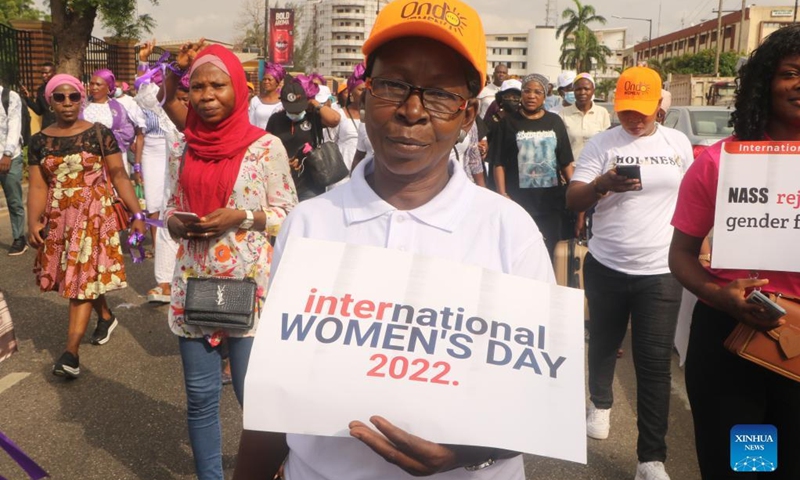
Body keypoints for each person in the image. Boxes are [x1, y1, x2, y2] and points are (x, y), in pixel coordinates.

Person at [234, 1, 555, 478]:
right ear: (363, 97)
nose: (411, 111)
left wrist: (464, 453)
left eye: (440, 95)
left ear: (468, 116)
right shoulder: (310, 224)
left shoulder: (510, 231)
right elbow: (277, 391)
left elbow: (538, 401)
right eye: (393, 85)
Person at [161, 42, 297, 480]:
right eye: (196, 87)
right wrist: (177, 224)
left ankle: (277, 470)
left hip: (251, 290)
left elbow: (291, 213)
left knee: (253, 399)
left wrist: (244, 216)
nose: (205, 95)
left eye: (217, 84)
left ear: (238, 88)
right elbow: (168, 206)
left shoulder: (265, 147)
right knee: (200, 398)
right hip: (194, 287)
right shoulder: (183, 147)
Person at [669, 25, 800, 480]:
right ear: (765, 82)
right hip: (733, 345)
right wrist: (720, 295)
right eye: (790, 73)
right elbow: (681, 254)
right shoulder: (720, 161)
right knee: (746, 468)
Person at [565, 66, 693, 480]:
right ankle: (599, 403)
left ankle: (650, 458)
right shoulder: (603, 143)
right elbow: (573, 197)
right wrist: (602, 184)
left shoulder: (678, 143)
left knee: (654, 362)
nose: (633, 120)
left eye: (641, 111)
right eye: (625, 112)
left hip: (661, 270)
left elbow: (692, 198)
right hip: (607, 265)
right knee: (604, 340)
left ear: (660, 105)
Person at [25, 74, 146, 379]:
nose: (67, 103)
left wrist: (138, 214)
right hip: (60, 218)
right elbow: (38, 187)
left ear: (81, 99)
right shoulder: (39, 141)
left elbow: (118, 174)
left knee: (79, 280)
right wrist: (33, 221)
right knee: (80, 275)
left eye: (73, 97)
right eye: (59, 97)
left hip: (94, 215)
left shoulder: (98, 133)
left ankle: (70, 353)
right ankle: (105, 315)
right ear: (50, 101)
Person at [490, 73, 574, 260]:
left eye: (537, 92)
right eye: (527, 91)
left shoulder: (555, 122)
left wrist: (575, 191)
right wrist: (503, 195)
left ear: (545, 96)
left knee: (550, 253)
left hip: (550, 204)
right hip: (518, 203)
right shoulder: (507, 124)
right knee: (520, 255)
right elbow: (498, 163)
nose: (531, 96)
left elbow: (566, 162)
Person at [266, 74, 341, 201]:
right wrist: (283, 160)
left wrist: (315, 103)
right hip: (283, 182)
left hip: (311, 183)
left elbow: (334, 119)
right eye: (291, 110)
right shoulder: (276, 119)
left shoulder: (312, 116)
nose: (295, 113)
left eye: (298, 108)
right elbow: (267, 147)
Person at [82, 69, 139, 174]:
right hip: (88, 157)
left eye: (98, 84)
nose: (94, 87)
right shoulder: (83, 107)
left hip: (113, 156)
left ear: (108, 87)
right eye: (92, 84)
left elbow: (128, 131)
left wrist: (108, 142)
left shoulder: (118, 108)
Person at [0, 82, 27, 256]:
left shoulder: (10, 97)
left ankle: (19, 238)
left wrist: (7, 153)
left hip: (8, 156)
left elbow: (15, 125)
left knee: (14, 200)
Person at [328, 63, 366, 187]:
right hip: (341, 176)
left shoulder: (374, 117)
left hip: (366, 174)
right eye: (361, 90)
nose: (364, 94)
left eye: (367, 90)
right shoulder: (339, 115)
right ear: (351, 93)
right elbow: (329, 143)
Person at [248, 63, 285, 129]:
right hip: (259, 138)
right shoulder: (255, 100)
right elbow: (251, 124)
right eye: (264, 79)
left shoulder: (283, 102)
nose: (266, 82)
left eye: (269, 79)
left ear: (277, 82)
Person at [20, 62, 56, 129]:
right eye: (42, 73)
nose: (44, 75)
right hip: (47, 127)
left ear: (54, 73)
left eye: (46, 73)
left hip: (60, 126)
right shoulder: (41, 90)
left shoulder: (59, 87)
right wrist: (27, 98)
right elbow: (39, 111)